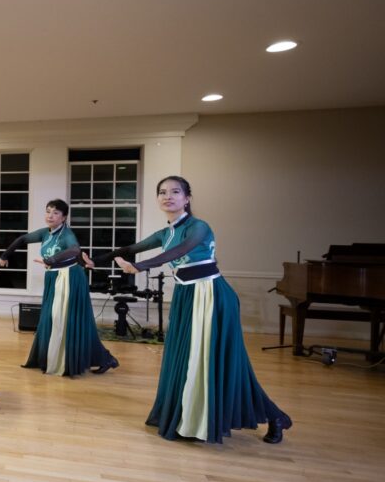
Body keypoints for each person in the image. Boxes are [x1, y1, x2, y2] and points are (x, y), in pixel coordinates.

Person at [88, 176, 292, 444]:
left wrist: (141, 266)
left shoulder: (199, 227)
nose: (167, 196)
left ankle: (275, 416)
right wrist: (91, 257)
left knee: (222, 362)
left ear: (187, 198)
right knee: (186, 360)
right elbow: (129, 248)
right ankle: (187, 416)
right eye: (162, 192)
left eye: (175, 192)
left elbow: (180, 251)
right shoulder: (166, 232)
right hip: (187, 295)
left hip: (211, 296)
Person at [0, 198, 119, 376]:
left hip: (70, 277)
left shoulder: (67, 234)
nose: (50, 215)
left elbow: (75, 250)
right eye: (48, 211)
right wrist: (5, 255)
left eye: (56, 213)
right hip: (54, 277)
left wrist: (50, 260)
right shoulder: (46, 233)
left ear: (64, 217)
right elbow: (23, 239)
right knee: (50, 319)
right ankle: (49, 358)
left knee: (72, 322)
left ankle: (104, 358)